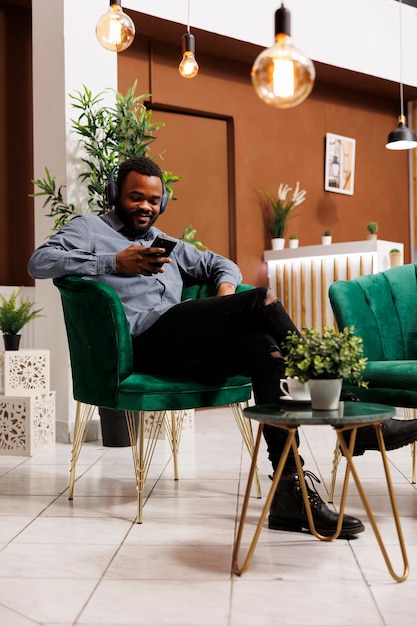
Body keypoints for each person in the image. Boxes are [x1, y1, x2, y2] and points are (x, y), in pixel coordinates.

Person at [28, 156, 417, 538]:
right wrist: (114, 262)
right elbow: (39, 262)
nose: (144, 207)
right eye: (135, 197)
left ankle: (289, 492)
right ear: (115, 194)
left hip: (186, 346)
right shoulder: (90, 229)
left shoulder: (169, 246)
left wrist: (224, 295)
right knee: (261, 299)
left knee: (264, 348)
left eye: (152, 200)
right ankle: (350, 412)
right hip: (143, 345)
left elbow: (223, 264)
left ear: (162, 202)